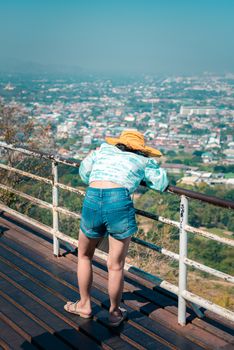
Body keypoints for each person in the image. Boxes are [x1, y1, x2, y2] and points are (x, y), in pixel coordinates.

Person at [64, 129, 169, 326]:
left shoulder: (102, 151)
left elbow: (84, 174)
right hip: (119, 201)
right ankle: (114, 313)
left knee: (84, 256)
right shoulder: (142, 161)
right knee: (115, 265)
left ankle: (84, 305)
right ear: (140, 149)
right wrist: (147, 168)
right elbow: (161, 183)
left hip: (93, 197)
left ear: (118, 143)